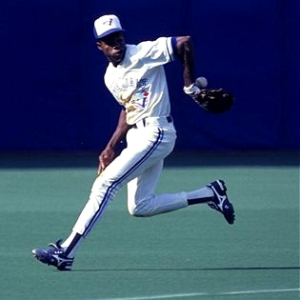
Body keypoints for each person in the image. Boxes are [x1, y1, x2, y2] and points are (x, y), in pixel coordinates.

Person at [32, 14, 235, 271]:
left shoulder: (142, 52)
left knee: (105, 185)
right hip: (137, 137)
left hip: (157, 131)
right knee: (140, 206)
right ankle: (210, 194)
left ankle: (66, 251)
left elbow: (184, 43)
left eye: (118, 36)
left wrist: (190, 87)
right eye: (108, 40)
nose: (115, 42)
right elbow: (129, 108)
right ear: (100, 46)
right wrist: (110, 146)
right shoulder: (110, 77)